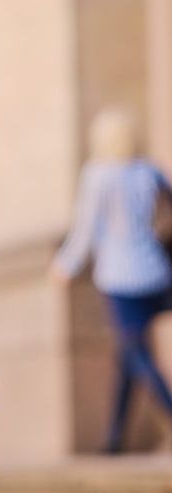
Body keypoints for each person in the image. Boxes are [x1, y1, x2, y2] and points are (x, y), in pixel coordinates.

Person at [53, 108, 172, 453]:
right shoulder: (149, 171)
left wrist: (65, 266)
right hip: (156, 273)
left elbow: (86, 230)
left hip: (121, 279)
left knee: (136, 353)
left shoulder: (98, 175)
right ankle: (115, 439)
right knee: (128, 354)